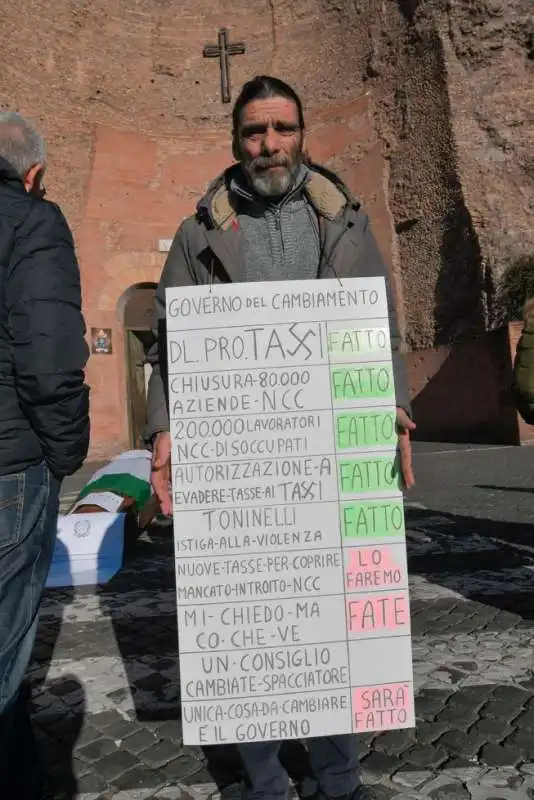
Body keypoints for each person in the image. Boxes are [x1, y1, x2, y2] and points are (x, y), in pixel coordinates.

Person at [146, 76, 415, 800]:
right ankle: (263, 779)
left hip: (334, 450)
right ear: (236, 141)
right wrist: (164, 432)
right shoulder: (198, 231)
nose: (269, 145)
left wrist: (395, 410)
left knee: (332, 613)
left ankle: (338, 775)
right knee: (246, 621)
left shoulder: (346, 220)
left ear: (303, 131)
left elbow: (380, 332)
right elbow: (170, 348)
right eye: (255, 133)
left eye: (282, 129)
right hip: (239, 463)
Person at [0, 111, 90, 797]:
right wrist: (65, 453)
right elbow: (49, 359)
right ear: (32, 174)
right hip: (9, 465)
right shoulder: (32, 221)